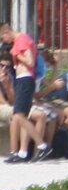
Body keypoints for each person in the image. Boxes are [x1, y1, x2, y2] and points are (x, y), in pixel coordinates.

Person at [3, 22, 38, 163]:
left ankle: (41, 145)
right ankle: (21, 153)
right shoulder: (20, 40)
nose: (3, 41)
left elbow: (30, 61)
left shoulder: (21, 40)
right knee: (20, 116)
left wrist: (16, 54)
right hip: (23, 80)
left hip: (25, 78)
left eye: (2, 37)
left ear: (7, 32)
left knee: (19, 115)